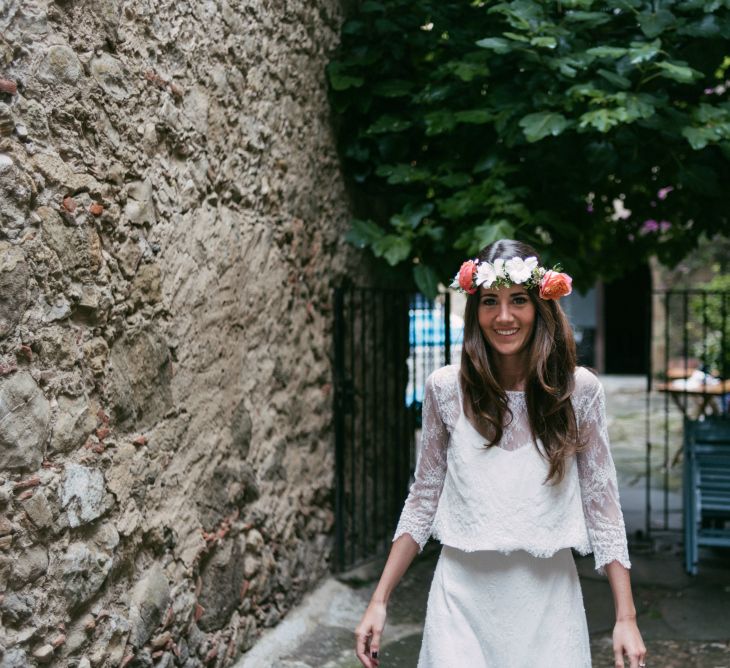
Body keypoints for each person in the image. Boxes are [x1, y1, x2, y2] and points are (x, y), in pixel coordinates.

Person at [354, 240, 647, 668]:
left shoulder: (578, 392)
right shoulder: (444, 390)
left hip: (548, 605)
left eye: (519, 301)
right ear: (475, 310)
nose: (504, 316)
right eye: (490, 301)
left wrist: (626, 617)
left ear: (541, 306)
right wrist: (378, 600)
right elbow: (422, 499)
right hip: (460, 603)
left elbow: (603, 509)